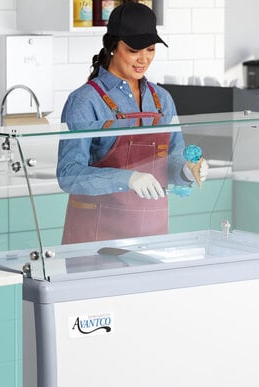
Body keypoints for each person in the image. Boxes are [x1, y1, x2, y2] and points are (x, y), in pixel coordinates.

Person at [57, 1, 208, 244]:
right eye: (134, 50)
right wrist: (127, 178)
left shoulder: (162, 99)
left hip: (152, 234)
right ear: (112, 47)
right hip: (96, 237)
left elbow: (174, 155)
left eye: (150, 49)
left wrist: (187, 170)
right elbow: (68, 175)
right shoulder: (85, 101)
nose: (143, 59)